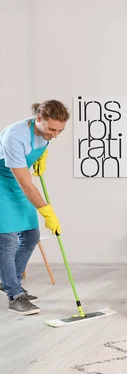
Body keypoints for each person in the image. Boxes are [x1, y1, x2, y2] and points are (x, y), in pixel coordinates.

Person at [0, 100, 69, 315]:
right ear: (38, 119)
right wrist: (47, 211)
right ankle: (14, 295)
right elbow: (26, 183)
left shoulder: (44, 133)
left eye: (60, 131)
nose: (55, 135)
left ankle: (10, 281)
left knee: (31, 236)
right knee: (8, 239)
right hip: (3, 185)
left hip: (19, 184)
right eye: (51, 129)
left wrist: (43, 156)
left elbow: (27, 175)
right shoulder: (15, 135)